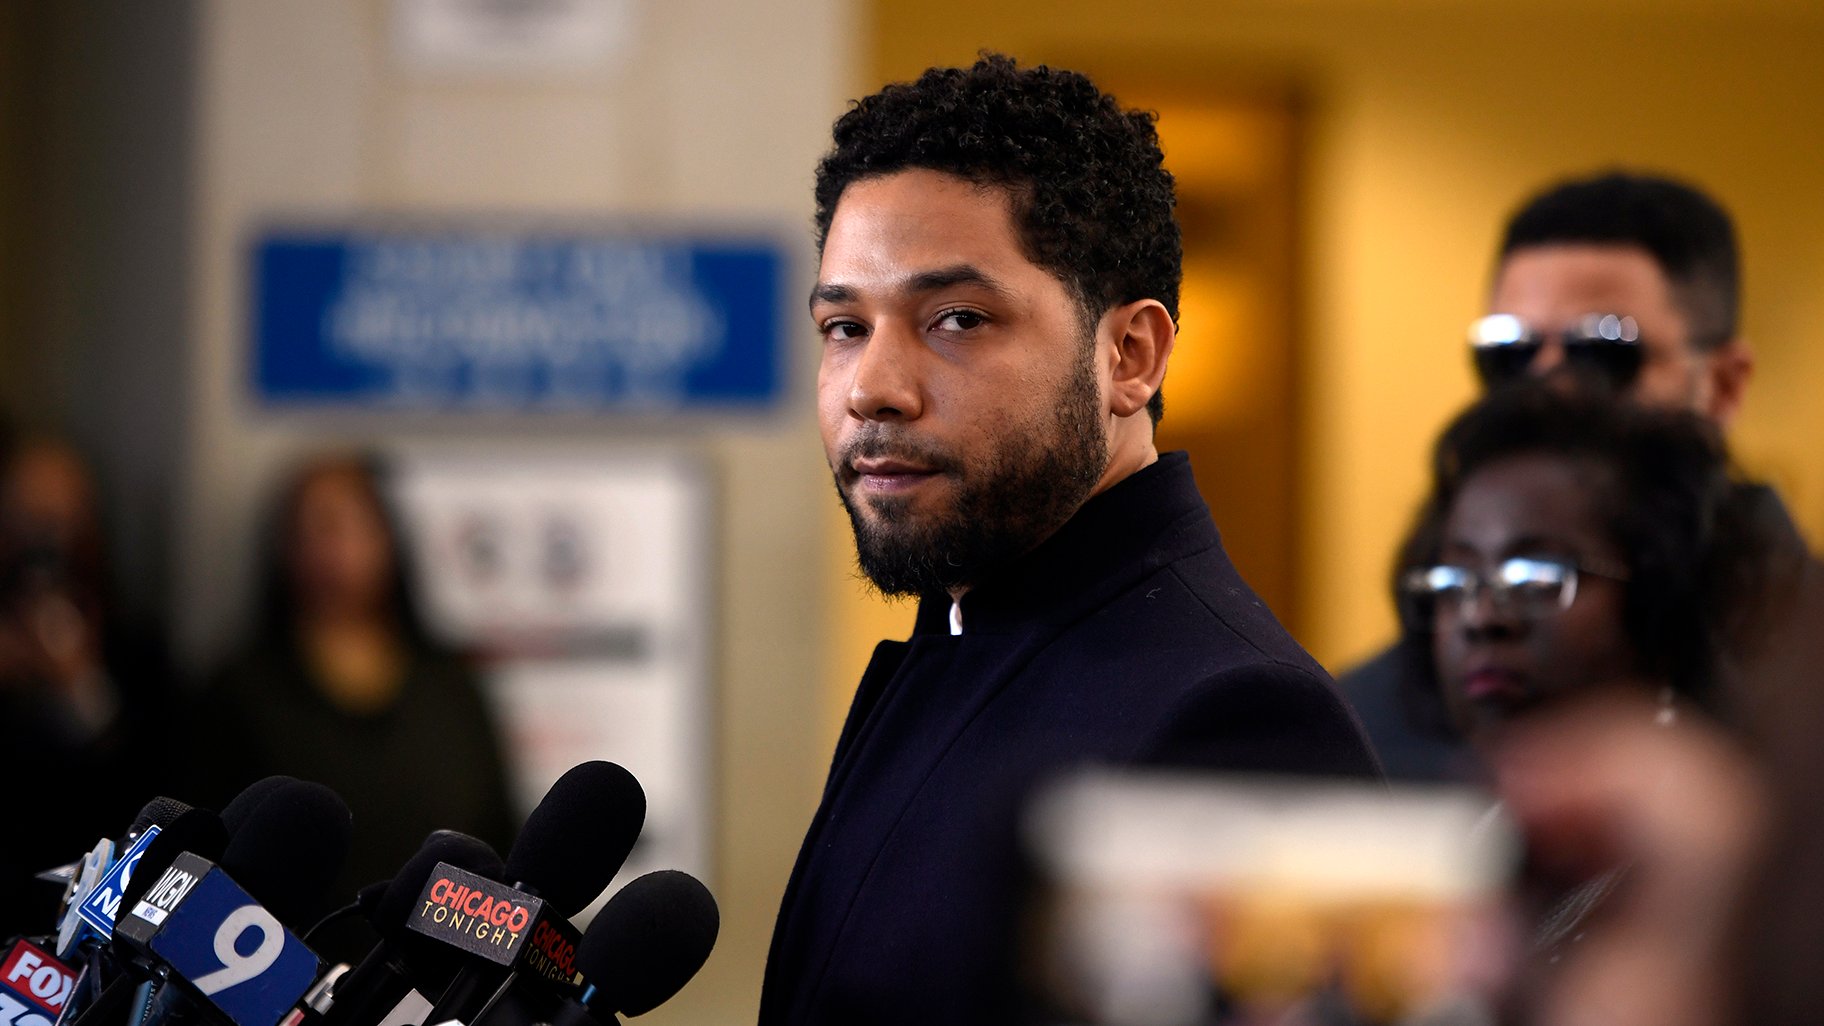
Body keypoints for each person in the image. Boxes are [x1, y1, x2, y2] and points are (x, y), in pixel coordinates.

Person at [760, 54, 1378, 1025]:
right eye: (844, 326)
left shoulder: (1237, 719)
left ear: (1129, 355)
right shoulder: (959, 636)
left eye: (956, 319)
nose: (873, 387)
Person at [1341, 170, 1810, 781]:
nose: (1550, 388)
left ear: (1724, 384)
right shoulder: (1364, 723)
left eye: (1603, 353)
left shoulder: (1800, 680)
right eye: (1509, 355)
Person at [188, 453, 516, 900]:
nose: (327, 551)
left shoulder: (450, 686)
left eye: (342, 526)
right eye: (306, 532)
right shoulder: (240, 689)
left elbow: (500, 833)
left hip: (437, 957)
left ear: (387, 538)